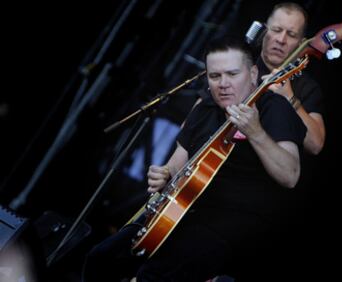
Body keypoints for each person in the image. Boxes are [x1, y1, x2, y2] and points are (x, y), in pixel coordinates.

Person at [82, 37, 306, 282]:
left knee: (154, 275)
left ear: (253, 74)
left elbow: (290, 175)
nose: (223, 84)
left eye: (232, 74)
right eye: (215, 76)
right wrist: (165, 173)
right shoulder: (204, 108)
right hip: (181, 213)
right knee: (100, 259)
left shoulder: (274, 108)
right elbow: (178, 161)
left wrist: (256, 132)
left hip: (234, 225)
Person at [259, 2, 325, 155]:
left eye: (291, 35)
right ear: (264, 31)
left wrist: (289, 97)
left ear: (301, 44)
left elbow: (315, 145)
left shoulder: (307, 87)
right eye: (276, 30)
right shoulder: (242, 63)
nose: (281, 40)